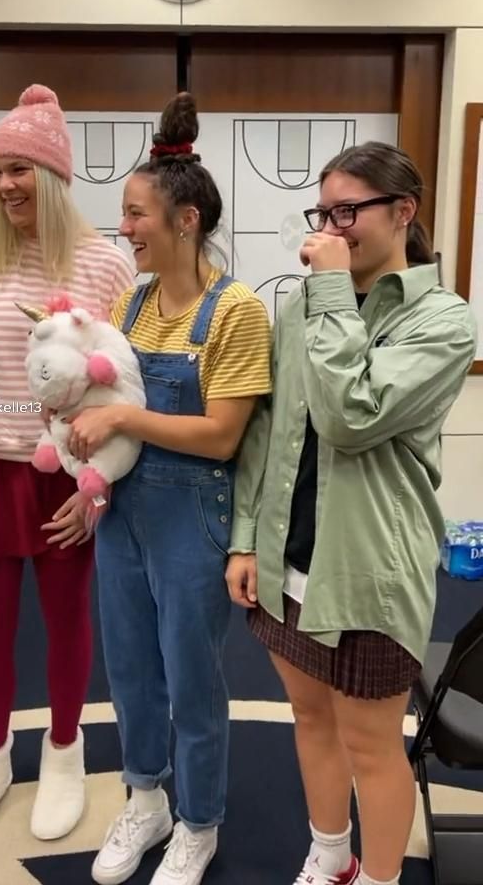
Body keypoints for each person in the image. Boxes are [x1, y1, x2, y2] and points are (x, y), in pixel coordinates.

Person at [226, 141, 477, 885]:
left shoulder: (445, 320)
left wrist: (331, 292)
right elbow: (267, 434)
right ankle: (330, 854)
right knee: (310, 718)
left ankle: (378, 878)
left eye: (348, 213)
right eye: (323, 213)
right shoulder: (302, 306)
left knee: (372, 746)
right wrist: (246, 541)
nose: (330, 231)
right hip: (288, 559)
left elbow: (350, 416)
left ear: (403, 212)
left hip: (368, 572)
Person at [64, 91, 272, 885]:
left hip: (195, 515)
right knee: (130, 669)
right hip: (123, 517)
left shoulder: (238, 312)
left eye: (137, 213)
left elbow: (222, 435)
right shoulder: (131, 301)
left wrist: (120, 415)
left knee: (192, 678)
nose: (126, 227)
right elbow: (108, 416)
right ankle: (145, 798)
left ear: (186, 221)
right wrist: (88, 479)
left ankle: (200, 821)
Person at [0, 84, 134, 849]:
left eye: (23, 169)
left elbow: (120, 378)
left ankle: (66, 754)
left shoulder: (105, 264)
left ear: (55, 177)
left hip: (68, 472)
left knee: (69, 621)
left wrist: (97, 485)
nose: (8, 184)